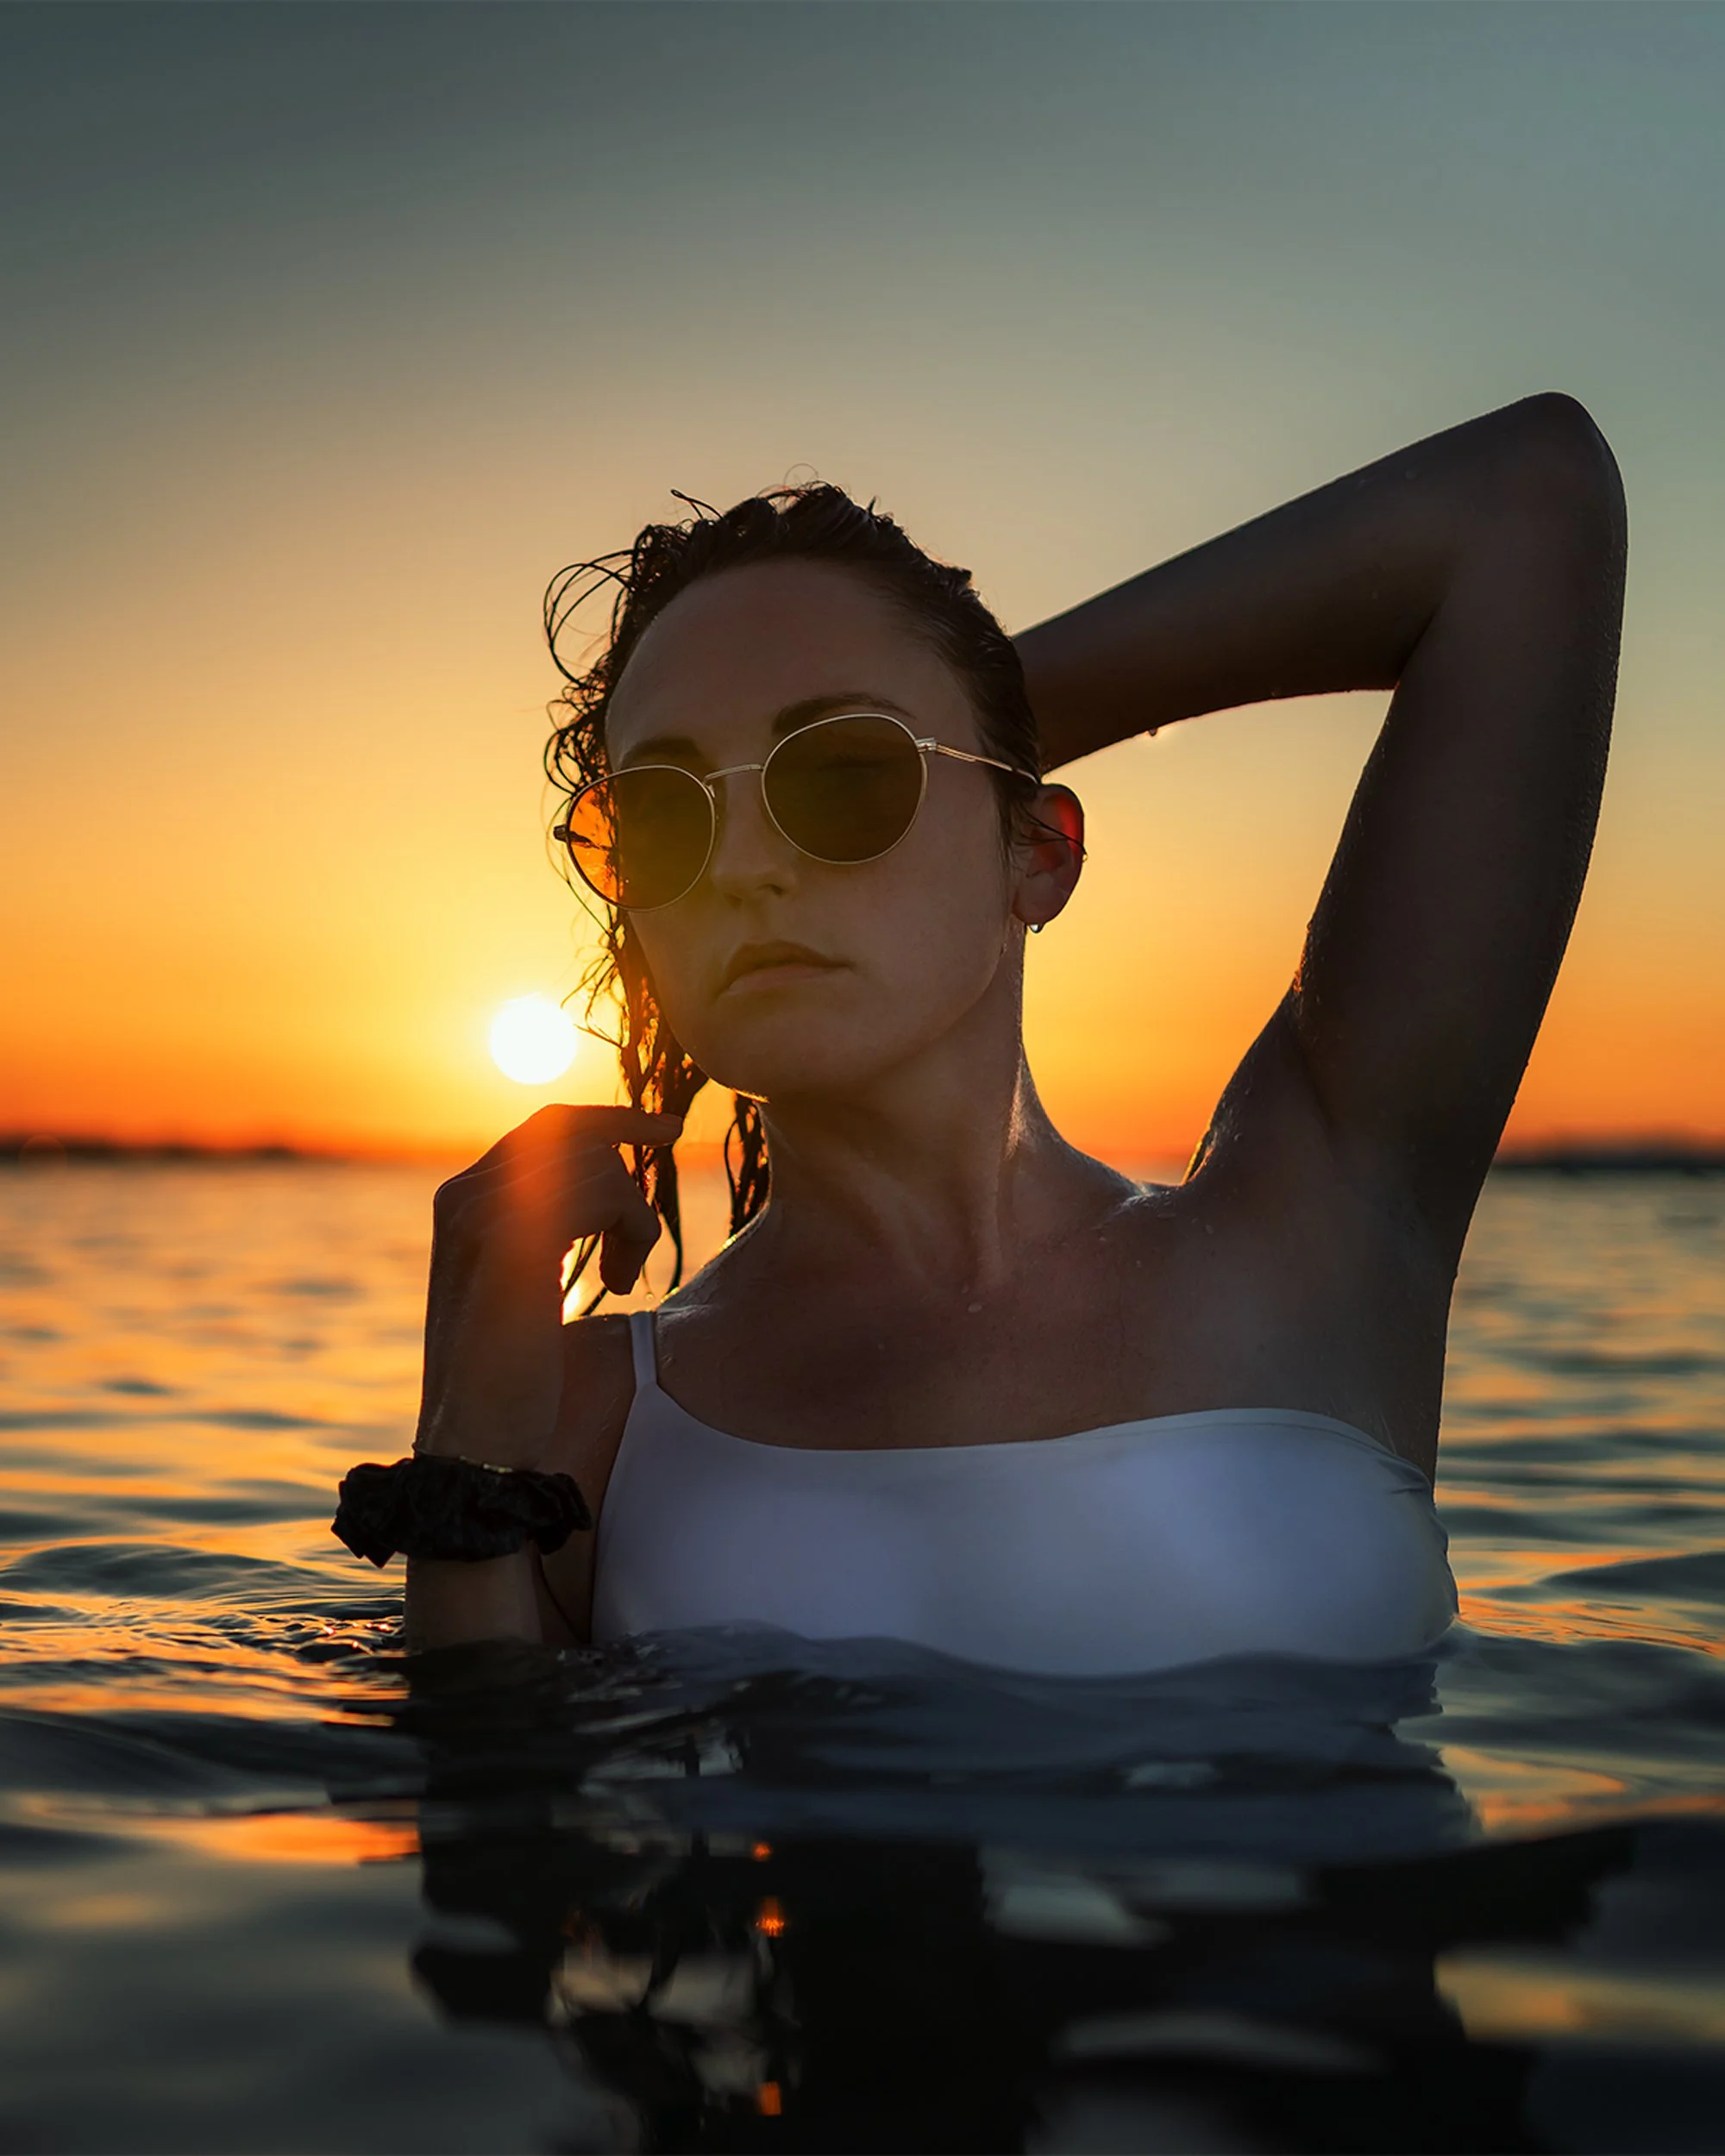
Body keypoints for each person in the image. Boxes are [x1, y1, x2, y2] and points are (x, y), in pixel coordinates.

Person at [390, 393, 1625, 1672]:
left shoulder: (1316, 1231)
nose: (745, 864)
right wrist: (464, 1445)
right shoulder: (588, 1420)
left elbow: (1530, 497)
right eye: (663, 814)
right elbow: (491, 1827)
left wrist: (977, 726)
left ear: (1039, 855)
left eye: (846, 774)